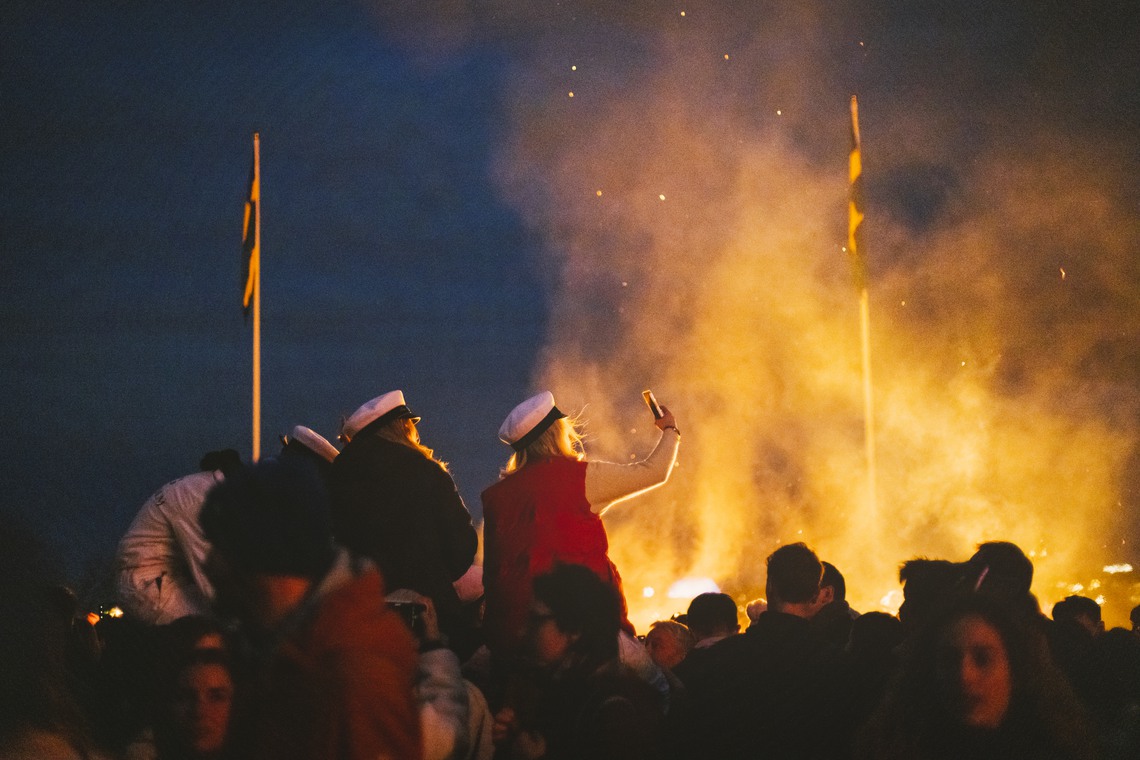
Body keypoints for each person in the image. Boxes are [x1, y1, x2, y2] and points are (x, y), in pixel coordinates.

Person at [200, 457, 422, 760]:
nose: (208, 564)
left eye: (220, 548)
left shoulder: (355, 682)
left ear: (259, 554)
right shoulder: (289, 656)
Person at [480, 390, 680, 658]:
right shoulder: (582, 478)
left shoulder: (494, 497)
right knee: (658, 687)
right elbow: (654, 471)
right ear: (558, 432)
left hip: (512, 639)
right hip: (582, 631)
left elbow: (493, 572)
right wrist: (670, 430)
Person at [856, 594, 1097, 760]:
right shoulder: (891, 747)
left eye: (983, 659)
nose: (964, 675)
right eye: (949, 659)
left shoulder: (1058, 749)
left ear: (1017, 669)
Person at [329, 390, 478, 643]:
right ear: (401, 427)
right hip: (428, 612)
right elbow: (463, 547)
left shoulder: (334, 477)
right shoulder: (428, 472)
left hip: (360, 615)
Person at [492, 564, 664, 760]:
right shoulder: (567, 688)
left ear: (574, 629)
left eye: (536, 620)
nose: (523, 631)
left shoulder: (617, 710)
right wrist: (518, 734)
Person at [115, 450, 242, 625]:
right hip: (146, 585)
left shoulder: (202, 486)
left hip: (157, 577)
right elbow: (210, 577)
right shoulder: (200, 499)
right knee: (219, 629)